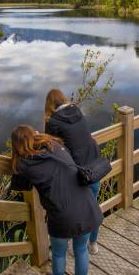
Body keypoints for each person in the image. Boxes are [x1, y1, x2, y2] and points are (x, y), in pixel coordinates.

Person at [9, 126, 102, 275]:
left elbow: (22, 186)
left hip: (61, 215)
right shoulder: (55, 145)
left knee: (59, 254)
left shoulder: (23, 164)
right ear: (36, 135)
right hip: (86, 206)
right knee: (81, 250)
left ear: (17, 146)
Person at [44, 88, 102, 254]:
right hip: (94, 166)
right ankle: (93, 244)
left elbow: (50, 147)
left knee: (75, 211)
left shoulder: (53, 121)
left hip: (77, 172)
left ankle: (78, 246)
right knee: (93, 207)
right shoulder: (77, 110)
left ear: (49, 105)